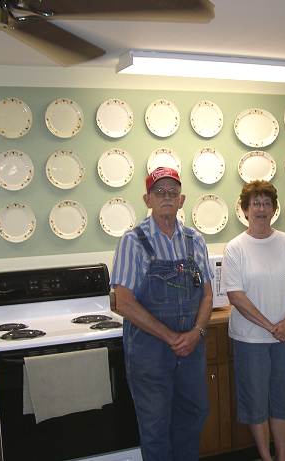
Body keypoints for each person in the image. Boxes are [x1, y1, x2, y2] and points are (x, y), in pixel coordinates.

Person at [110, 166, 213, 461]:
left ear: (181, 201)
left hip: (191, 349)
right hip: (150, 353)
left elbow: (207, 294)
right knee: (155, 428)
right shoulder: (133, 241)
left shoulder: (195, 241)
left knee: (193, 417)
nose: (166, 197)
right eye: (159, 192)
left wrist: (195, 334)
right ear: (147, 199)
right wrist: (171, 337)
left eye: (173, 192)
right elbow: (123, 302)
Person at [221, 180, 285, 461]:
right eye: (255, 203)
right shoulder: (236, 248)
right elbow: (236, 296)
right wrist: (272, 326)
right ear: (245, 210)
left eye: (266, 203)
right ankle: (266, 457)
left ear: (274, 209)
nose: (261, 208)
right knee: (255, 401)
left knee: (282, 401)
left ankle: (282, 457)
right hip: (250, 339)